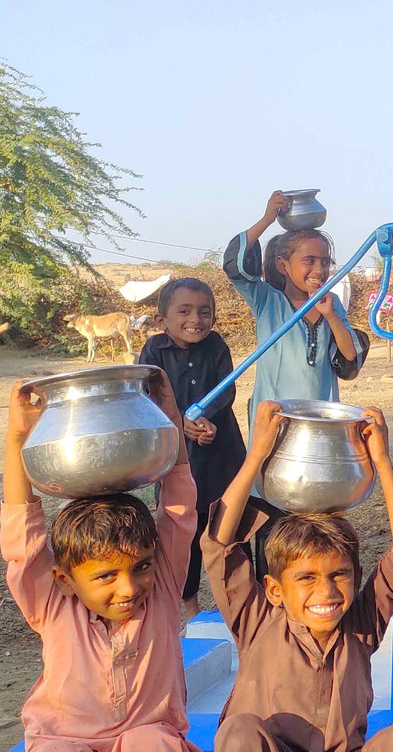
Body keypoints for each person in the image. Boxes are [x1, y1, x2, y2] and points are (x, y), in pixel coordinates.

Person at [201, 401, 393, 752]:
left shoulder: (361, 624)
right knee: (240, 731)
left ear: (357, 576)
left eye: (339, 574)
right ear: (273, 589)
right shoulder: (256, 620)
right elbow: (220, 543)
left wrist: (382, 463)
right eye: (306, 578)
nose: (326, 592)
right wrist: (257, 455)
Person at [1, 374, 200, 751]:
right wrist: (16, 439)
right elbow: (22, 535)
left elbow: (179, 509)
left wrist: (170, 422)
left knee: (154, 743)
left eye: (141, 565)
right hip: (63, 737)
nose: (129, 588)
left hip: (148, 733)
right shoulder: (51, 604)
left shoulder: (163, 585)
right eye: (106, 575)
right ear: (63, 579)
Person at [223, 190, 369, 575]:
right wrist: (268, 217)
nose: (318, 268)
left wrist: (332, 315)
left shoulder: (330, 306)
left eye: (324, 261)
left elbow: (349, 362)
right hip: (274, 430)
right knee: (273, 520)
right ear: (284, 265)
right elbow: (234, 265)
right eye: (309, 260)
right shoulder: (266, 301)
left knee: (316, 519)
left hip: (320, 434)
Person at [137, 277, 247, 620]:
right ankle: (190, 607)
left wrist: (207, 420)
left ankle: (238, 602)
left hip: (222, 453)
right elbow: (146, 395)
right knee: (184, 530)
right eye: (184, 311)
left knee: (229, 526)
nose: (195, 319)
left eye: (204, 312)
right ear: (162, 321)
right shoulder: (154, 351)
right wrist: (179, 421)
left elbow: (226, 389)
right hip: (178, 458)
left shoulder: (216, 346)